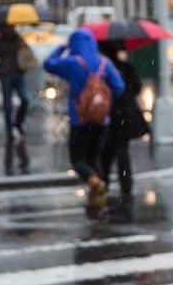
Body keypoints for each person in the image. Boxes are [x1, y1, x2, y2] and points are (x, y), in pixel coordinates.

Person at [43, 28, 124, 209]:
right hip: (101, 121)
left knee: (78, 160)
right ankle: (98, 196)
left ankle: (95, 184)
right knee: (95, 159)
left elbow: (48, 64)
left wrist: (62, 47)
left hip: (79, 119)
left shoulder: (72, 63)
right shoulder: (104, 63)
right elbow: (119, 87)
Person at [98, 41, 145, 198]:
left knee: (107, 151)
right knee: (121, 149)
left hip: (107, 114)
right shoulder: (126, 67)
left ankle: (103, 182)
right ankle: (126, 184)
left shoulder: (101, 69)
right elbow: (137, 87)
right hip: (125, 113)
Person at [0, 25, 33, 141]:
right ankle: (9, 131)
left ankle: (18, 123)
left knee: (25, 99)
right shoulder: (0, 41)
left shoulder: (19, 39)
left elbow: (27, 52)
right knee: (7, 104)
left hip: (19, 74)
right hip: (5, 75)